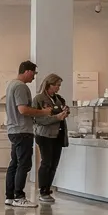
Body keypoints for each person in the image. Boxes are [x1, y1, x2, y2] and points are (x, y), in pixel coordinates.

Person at [3, 60, 48, 207]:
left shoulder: (11, 85)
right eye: (34, 73)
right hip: (22, 130)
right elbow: (23, 110)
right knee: (24, 164)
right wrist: (43, 112)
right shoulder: (21, 87)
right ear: (27, 71)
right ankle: (19, 197)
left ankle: (10, 196)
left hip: (14, 130)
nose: (34, 77)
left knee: (14, 164)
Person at [31, 72, 70, 203]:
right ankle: (42, 190)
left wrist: (65, 112)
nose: (58, 88)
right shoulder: (39, 99)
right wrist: (56, 118)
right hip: (45, 135)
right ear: (49, 85)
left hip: (58, 135)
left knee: (54, 164)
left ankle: (48, 188)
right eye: (57, 85)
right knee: (46, 162)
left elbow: (61, 111)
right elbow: (38, 119)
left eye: (59, 85)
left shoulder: (59, 99)